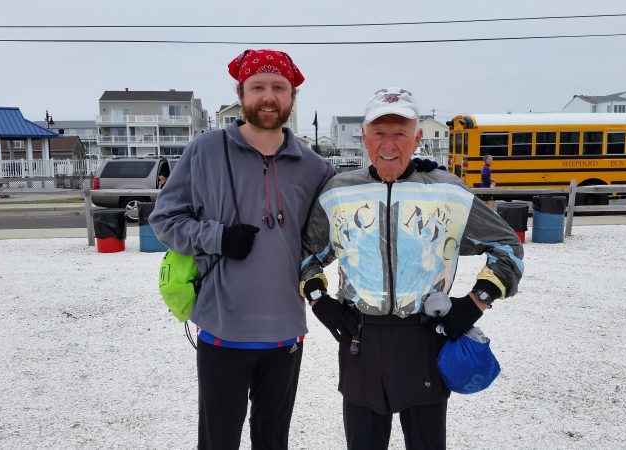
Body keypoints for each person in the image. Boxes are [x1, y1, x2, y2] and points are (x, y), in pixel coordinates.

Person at [300, 87, 524, 449]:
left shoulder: (447, 191)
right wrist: (318, 300)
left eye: (400, 132)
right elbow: (306, 254)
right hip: (361, 338)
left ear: (417, 137)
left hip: (425, 338)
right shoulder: (338, 192)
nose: (389, 143)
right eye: (379, 132)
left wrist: (476, 301)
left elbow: (507, 247)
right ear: (365, 137)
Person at [148, 49, 336, 450]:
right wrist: (217, 238)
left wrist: (412, 173)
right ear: (242, 93)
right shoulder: (205, 151)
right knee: (218, 441)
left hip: (286, 332)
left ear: (292, 97)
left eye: (278, 88)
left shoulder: (315, 167)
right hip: (222, 330)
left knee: (273, 441)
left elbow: (347, 223)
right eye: (258, 87)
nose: (268, 97)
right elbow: (164, 219)